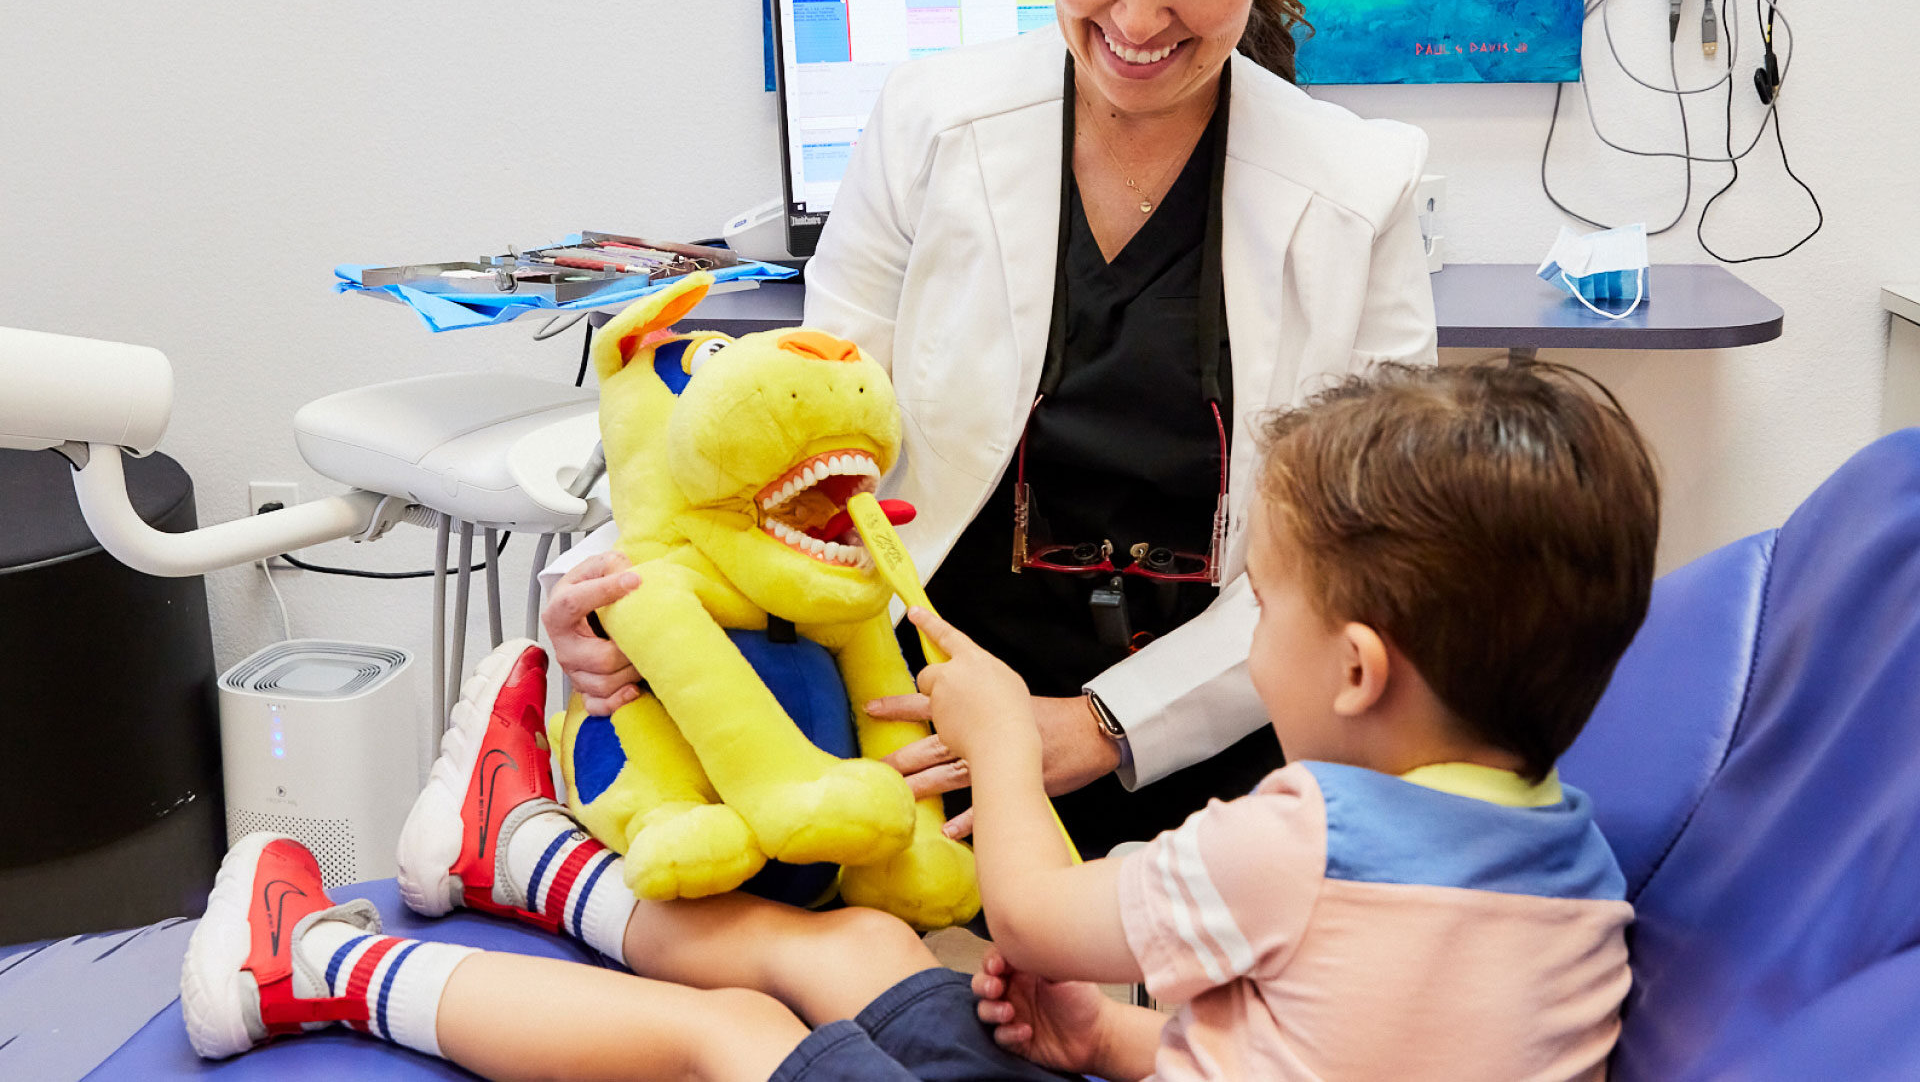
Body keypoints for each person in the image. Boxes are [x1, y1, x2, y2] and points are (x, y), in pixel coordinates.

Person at [183, 358, 1658, 1080]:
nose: (1245, 625)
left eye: (1260, 598)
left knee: (740, 1038)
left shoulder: (1306, 838)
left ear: (1352, 668)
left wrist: (1007, 737)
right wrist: (1106, 1044)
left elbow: (1029, 908)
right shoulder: (1576, 873)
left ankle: (320, 965)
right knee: (878, 945)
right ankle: (527, 858)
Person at [548, 0, 1438, 861]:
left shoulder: (1362, 192)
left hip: (1210, 751)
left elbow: (1354, 560)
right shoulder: (931, 128)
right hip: (920, 722)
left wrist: (1102, 728)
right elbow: (788, 431)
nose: (1138, 15)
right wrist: (604, 593)